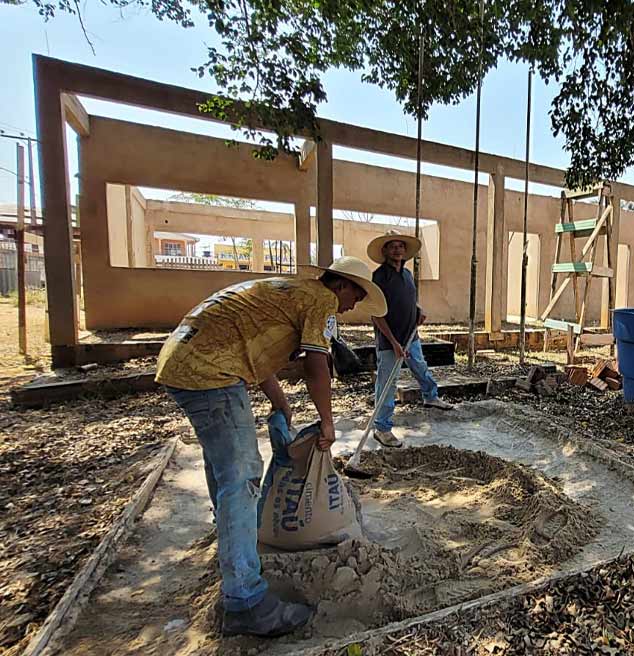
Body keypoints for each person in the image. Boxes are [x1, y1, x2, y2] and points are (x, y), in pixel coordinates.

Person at [155, 256, 387, 636]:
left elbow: (255, 353)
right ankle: (245, 599)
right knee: (243, 475)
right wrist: (327, 422)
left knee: (222, 468)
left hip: (184, 361)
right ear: (341, 285)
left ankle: (235, 550)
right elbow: (316, 364)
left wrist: (281, 402)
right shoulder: (321, 300)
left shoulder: (291, 291)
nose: (351, 307)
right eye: (356, 296)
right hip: (211, 371)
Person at [368, 230, 453, 449]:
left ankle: (430, 396)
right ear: (385, 250)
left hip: (411, 336)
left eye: (401, 246)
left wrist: (418, 310)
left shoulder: (406, 275)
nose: (397, 249)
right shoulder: (379, 277)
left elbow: (408, 299)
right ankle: (382, 428)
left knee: (420, 367)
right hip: (390, 341)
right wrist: (394, 343)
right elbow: (376, 313)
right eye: (393, 246)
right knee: (387, 383)